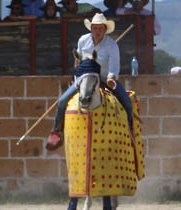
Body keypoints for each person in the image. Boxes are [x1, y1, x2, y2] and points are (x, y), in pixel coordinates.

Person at [46, 13, 134, 150]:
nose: (98, 31)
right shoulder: (83, 40)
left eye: (101, 28)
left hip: (104, 78)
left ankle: (130, 131)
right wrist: (77, 70)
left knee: (127, 102)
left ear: (105, 29)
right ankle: (56, 132)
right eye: (95, 28)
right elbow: (78, 60)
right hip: (85, 77)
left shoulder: (112, 45)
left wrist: (111, 78)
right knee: (62, 101)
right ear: (91, 28)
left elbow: (114, 67)